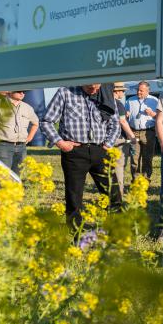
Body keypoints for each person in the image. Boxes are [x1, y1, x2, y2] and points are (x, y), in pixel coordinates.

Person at [41, 84, 122, 228]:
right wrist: (60, 143)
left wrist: (108, 144)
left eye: (97, 87)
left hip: (100, 150)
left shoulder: (105, 93)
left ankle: (118, 230)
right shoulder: (65, 92)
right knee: (74, 197)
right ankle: (75, 233)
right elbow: (46, 121)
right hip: (75, 152)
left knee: (113, 193)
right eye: (91, 87)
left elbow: (115, 123)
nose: (95, 90)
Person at [0, 90, 38, 175]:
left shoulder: (27, 107)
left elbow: (35, 123)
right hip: (3, 147)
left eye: (24, 92)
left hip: (21, 147)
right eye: (19, 91)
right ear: (10, 91)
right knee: (2, 176)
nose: (22, 93)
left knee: (17, 177)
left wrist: (30, 137)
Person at [126, 81, 161, 180]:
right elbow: (124, 116)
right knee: (134, 159)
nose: (138, 92)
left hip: (148, 133)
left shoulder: (155, 101)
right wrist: (126, 115)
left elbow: (160, 118)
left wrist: (152, 114)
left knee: (147, 158)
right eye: (138, 90)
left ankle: (145, 181)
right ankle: (136, 181)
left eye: (141, 91)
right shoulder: (130, 101)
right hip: (133, 132)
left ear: (147, 91)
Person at [110, 83, 136, 199]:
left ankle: (111, 192)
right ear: (117, 91)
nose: (124, 93)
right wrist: (132, 137)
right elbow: (122, 122)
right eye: (123, 91)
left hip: (107, 140)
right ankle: (118, 194)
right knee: (119, 167)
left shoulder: (105, 102)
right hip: (119, 139)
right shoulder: (118, 104)